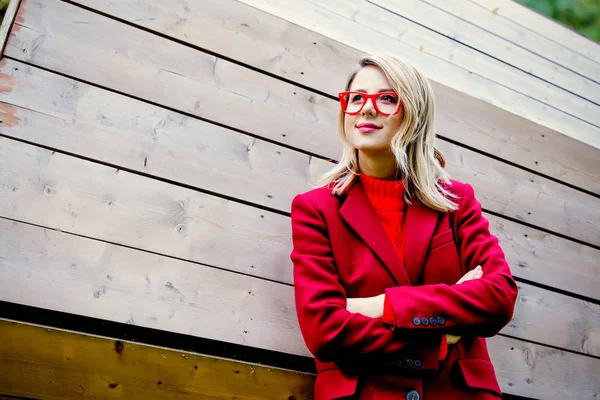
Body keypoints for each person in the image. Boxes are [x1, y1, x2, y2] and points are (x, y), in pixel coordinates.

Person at [289, 55, 518, 400]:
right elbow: (325, 330)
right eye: (356, 98)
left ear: (414, 112)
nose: (366, 109)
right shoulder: (316, 209)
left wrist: (379, 306)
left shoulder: (456, 202)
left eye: (386, 98)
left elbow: (498, 296)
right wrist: (441, 336)